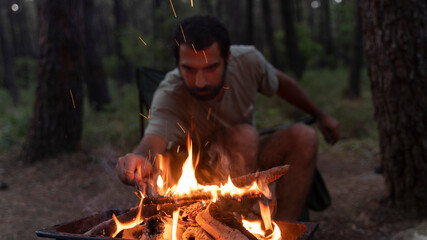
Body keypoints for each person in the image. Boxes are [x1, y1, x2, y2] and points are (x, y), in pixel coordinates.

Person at [116, 15, 340, 221]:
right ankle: (235, 228)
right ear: (178, 64)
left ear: (228, 58)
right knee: (244, 135)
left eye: (211, 67)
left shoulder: (248, 61)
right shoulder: (170, 93)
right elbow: (152, 143)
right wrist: (135, 159)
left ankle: (286, 229)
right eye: (189, 69)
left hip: (249, 156)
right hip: (202, 174)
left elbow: (281, 83)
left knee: (304, 136)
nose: (200, 81)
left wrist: (319, 114)